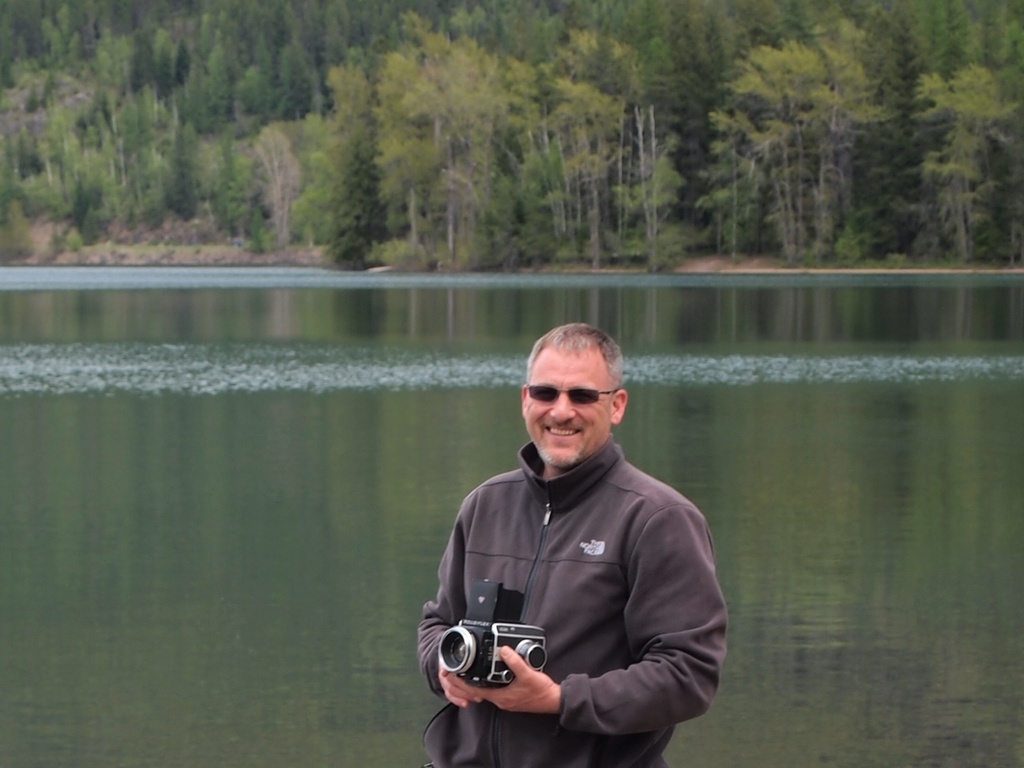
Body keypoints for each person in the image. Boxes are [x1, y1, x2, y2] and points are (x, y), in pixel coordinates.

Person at [417, 322, 727, 768]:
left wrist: (560, 698)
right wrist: (446, 669)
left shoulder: (658, 519)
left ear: (617, 405)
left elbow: (688, 677)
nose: (561, 412)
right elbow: (437, 623)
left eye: (582, 396)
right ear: (526, 399)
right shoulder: (485, 504)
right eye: (546, 393)